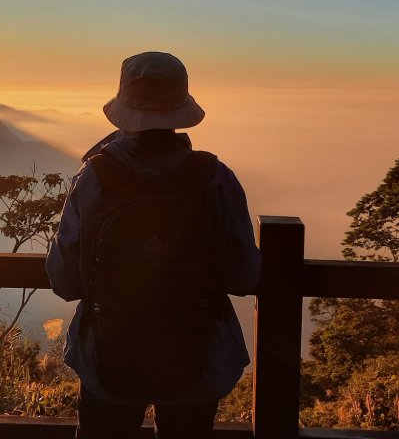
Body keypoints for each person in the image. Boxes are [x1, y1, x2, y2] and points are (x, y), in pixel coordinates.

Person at [46, 51, 261, 439]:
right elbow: (245, 275)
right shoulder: (215, 178)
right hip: (197, 353)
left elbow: (64, 280)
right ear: (182, 107)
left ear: (124, 107)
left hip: (106, 354)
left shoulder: (94, 177)